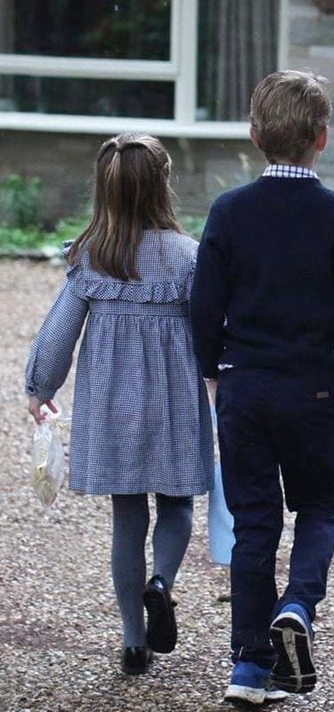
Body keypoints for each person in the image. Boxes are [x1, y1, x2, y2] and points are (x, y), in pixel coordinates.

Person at [190, 70, 334, 707]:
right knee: (320, 506)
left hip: (244, 387)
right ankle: (298, 602)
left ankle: (248, 666)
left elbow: (204, 304)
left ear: (254, 135)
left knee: (254, 524)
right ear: (322, 139)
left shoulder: (229, 211)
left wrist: (213, 373)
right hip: (312, 391)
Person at [25, 134, 214, 675]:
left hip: (113, 403)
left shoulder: (90, 258)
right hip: (174, 400)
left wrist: (41, 388)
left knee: (127, 517)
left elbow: (60, 331)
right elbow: (210, 330)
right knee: (177, 504)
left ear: (104, 190)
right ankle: (163, 583)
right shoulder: (189, 257)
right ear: (163, 184)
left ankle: (134, 642)